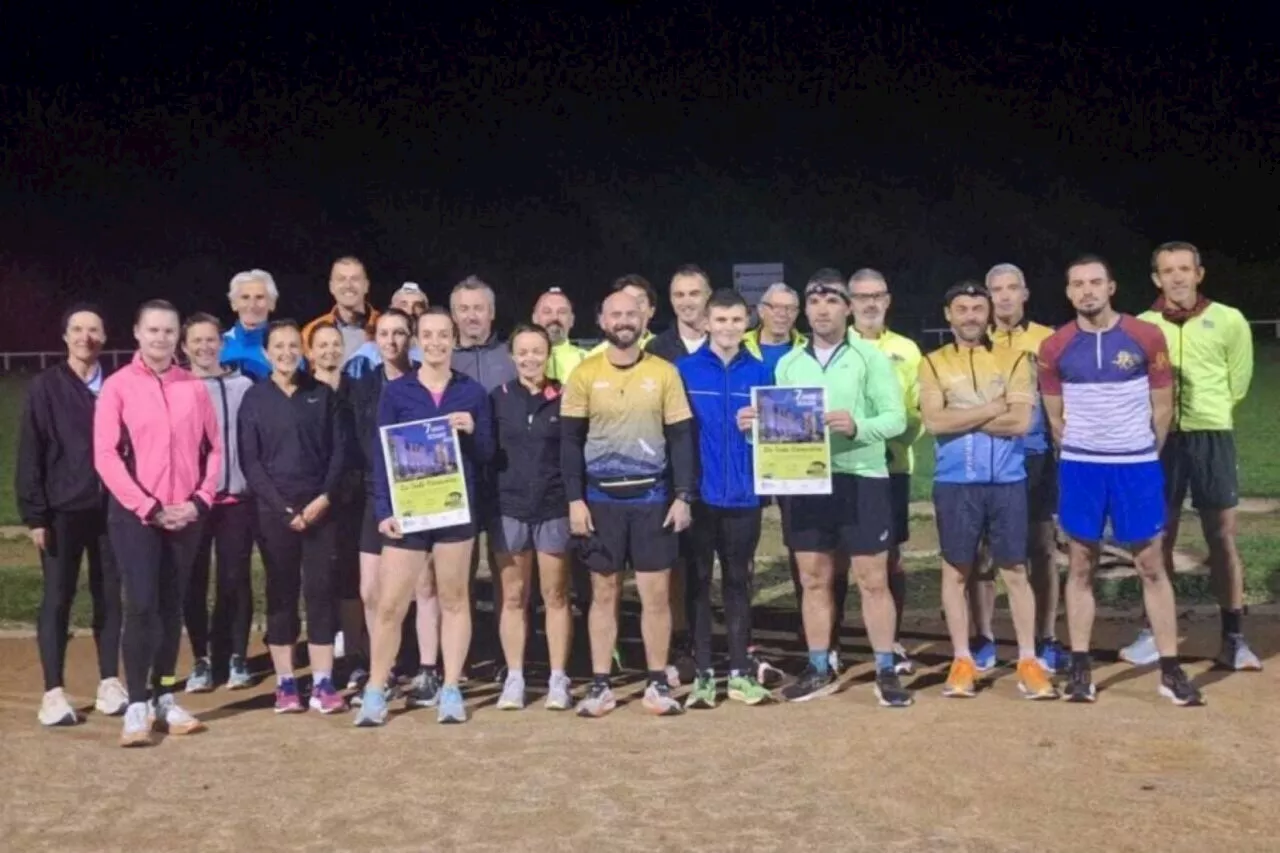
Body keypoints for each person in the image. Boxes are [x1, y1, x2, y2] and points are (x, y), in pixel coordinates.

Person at [1038, 255, 1203, 706]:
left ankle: (1170, 669)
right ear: (1069, 292)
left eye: (1095, 282)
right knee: (1080, 565)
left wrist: (1143, 451)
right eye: (1077, 284)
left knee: (1151, 564)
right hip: (1081, 467)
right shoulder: (1055, 347)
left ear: (1111, 287)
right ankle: (1080, 668)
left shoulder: (1146, 336)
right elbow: (1055, 420)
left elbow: (1163, 407)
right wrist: (1080, 451)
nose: (1086, 290)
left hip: (1136, 465)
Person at [771, 272, 912, 707]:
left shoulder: (870, 357)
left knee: (873, 579)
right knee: (814, 579)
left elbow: (896, 419)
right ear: (805, 310)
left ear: (847, 307)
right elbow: (784, 428)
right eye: (814, 301)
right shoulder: (788, 363)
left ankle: (886, 669)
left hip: (862, 479)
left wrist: (859, 426)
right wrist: (757, 427)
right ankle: (819, 666)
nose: (822, 309)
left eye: (831, 300)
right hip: (808, 482)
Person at [919, 282, 1057, 700]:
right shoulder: (932, 362)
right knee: (957, 570)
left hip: (1007, 480)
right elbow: (934, 423)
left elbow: (1020, 424)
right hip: (955, 481)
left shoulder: (1015, 359)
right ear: (949, 315)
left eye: (978, 308)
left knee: (1015, 570)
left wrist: (961, 414)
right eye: (961, 308)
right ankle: (963, 659)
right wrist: (991, 407)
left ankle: (1028, 660)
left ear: (988, 312)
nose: (971, 316)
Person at [356, 307, 494, 726]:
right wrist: (384, 511)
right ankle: (376, 690)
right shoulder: (397, 392)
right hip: (410, 513)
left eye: (443, 336)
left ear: (454, 340)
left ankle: (451, 687)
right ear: (417, 341)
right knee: (390, 605)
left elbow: (488, 454)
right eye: (427, 336)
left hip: (454, 511)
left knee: (454, 600)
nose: (435, 343)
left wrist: (472, 429)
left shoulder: (472, 393)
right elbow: (382, 456)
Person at [1126, 241, 1260, 671]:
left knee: (1221, 536)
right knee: (1155, 536)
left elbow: (1238, 382)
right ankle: (1154, 632)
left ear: (1199, 274)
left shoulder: (1229, 320)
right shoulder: (1141, 326)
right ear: (1156, 278)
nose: (1178, 277)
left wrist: (1211, 415)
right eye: (1168, 270)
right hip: (1158, 440)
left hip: (1211, 436)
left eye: (1185, 269)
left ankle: (1234, 638)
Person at [562, 289, 696, 717]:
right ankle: (601, 684)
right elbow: (569, 441)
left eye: (631, 313)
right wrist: (574, 500)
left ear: (643, 319)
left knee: (656, 595)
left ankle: (657, 681)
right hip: (601, 500)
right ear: (602, 321)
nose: (623, 320)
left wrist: (683, 496)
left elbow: (680, 437)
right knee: (605, 593)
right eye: (615, 314)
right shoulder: (584, 373)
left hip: (653, 497)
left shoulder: (664, 372)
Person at [94, 299, 220, 747]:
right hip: (136, 518)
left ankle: (166, 693)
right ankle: (138, 703)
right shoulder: (118, 387)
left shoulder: (194, 387)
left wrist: (200, 500)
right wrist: (146, 506)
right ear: (137, 333)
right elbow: (106, 456)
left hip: (184, 515)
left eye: (169, 331)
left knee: (172, 608)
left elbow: (215, 450)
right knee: (142, 606)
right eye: (154, 330)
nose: (161, 338)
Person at [16, 304, 127, 726]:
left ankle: (109, 682)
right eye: (78, 330)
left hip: (109, 509)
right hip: (62, 512)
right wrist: (35, 515)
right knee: (58, 598)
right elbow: (31, 452)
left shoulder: (115, 387)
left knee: (109, 595)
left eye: (94, 330)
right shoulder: (45, 387)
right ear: (65, 337)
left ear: (104, 337)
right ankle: (53, 692)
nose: (86, 337)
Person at [238, 320, 349, 715]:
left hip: (321, 512)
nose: (286, 353)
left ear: (302, 351)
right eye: (277, 346)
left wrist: (323, 499)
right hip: (275, 515)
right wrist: (284, 509)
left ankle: (323, 682)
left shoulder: (321, 394)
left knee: (320, 594)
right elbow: (250, 462)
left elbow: (339, 453)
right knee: (281, 596)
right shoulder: (254, 399)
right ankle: (286, 684)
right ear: (266, 353)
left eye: (292, 345)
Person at [679, 289, 774, 708]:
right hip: (700, 497)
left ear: (747, 323)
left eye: (736, 320)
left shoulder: (760, 372)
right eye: (720, 321)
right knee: (698, 585)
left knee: (738, 583)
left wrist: (762, 424)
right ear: (706, 324)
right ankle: (703, 672)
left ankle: (738, 670)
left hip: (743, 498)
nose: (728, 328)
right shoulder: (682, 371)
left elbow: (780, 433)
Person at [489, 324, 574, 710]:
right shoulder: (497, 399)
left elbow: (574, 453)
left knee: (554, 595)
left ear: (548, 353)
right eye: (522, 352)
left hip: (553, 508)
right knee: (513, 596)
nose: (530, 359)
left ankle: (558, 678)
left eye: (537, 351)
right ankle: (515, 677)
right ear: (512, 357)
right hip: (509, 510)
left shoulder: (565, 397)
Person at [986, 263, 1063, 673]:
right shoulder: (977, 338)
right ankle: (984, 639)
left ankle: (1047, 637)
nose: (1004, 296)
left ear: (1025, 293)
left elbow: (1059, 399)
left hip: (1035, 456)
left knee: (1041, 548)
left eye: (1012, 288)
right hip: (988, 456)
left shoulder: (1047, 339)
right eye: (996, 289)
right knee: (985, 552)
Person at [847, 269, 923, 674]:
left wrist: (893, 443)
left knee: (889, 557)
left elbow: (916, 411)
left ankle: (891, 641)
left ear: (888, 300)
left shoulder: (908, 350)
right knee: (837, 557)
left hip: (891, 468)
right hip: (842, 467)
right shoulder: (835, 347)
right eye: (861, 297)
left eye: (876, 295)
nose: (870, 303)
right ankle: (835, 640)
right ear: (849, 303)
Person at [180, 313, 256, 693]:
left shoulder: (242, 384)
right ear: (184, 346)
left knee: (234, 579)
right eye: (196, 341)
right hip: (192, 502)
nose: (204, 347)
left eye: (211, 340)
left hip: (235, 499)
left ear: (221, 343)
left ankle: (237, 656)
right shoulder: (175, 386)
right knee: (193, 581)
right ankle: (201, 659)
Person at [307, 323, 369, 688]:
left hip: (352, 497)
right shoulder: (302, 391)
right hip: (313, 499)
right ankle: (322, 658)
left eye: (335, 344)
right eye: (322, 345)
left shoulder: (355, 390)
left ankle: (354, 655)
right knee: (318, 582)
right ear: (310, 352)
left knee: (351, 579)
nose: (330, 350)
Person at [301, 256, 380, 362]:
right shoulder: (311, 331)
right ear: (331, 287)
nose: (348, 285)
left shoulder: (384, 327)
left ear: (366, 286)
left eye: (355, 279)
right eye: (341, 279)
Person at [345, 283, 427, 378]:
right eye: (403, 304)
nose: (410, 311)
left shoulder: (432, 352)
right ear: (391, 309)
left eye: (418, 306)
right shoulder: (367, 356)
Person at [219, 269, 278, 381]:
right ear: (233, 304)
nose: (252, 305)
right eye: (245, 297)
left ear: (272, 303)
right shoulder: (217, 346)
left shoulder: (287, 348)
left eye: (259, 297)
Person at [586, 274, 658, 356]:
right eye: (627, 299)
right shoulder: (596, 354)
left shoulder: (663, 349)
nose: (633, 306)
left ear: (651, 311)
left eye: (640, 301)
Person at [744, 282, 806, 374]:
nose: (782, 314)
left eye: (789, 308)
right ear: (761, 311)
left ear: (796, 314)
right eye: (775, 307)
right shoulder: (740, 344)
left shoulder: (807, 348)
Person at [533, 287, 588, 382]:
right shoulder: (520, 362)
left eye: (562, 312)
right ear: (534, 318)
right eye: (547, 312)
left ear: (572, 320)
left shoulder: (588, 360)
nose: (554, 317)